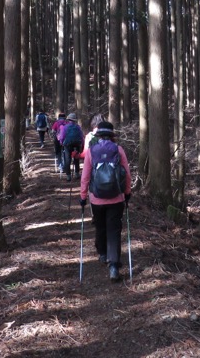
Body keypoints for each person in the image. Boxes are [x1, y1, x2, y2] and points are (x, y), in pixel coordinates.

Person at [79, 121, 131, 282]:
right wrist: (127, 193)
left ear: (99, 135)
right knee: (114, 230)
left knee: (100, 226)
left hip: (97, 198)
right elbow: (127, 174)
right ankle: (114, 265)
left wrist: (83, 196)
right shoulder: (118, 149)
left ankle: (102, 253)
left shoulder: (91, 151)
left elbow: (85, 176)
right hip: (116, 197)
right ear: (111, 135)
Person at [60, 113, 84, 181]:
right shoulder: (78, 127)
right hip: (77, 144)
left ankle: (68, 176)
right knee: (76, 158)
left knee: (67, 159)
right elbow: (81, 136)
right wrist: (82, 144)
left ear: (68, 120)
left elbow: (62, 136)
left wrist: (61, 142)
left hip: (67, 144)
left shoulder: (65, 127)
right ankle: (77, 173)